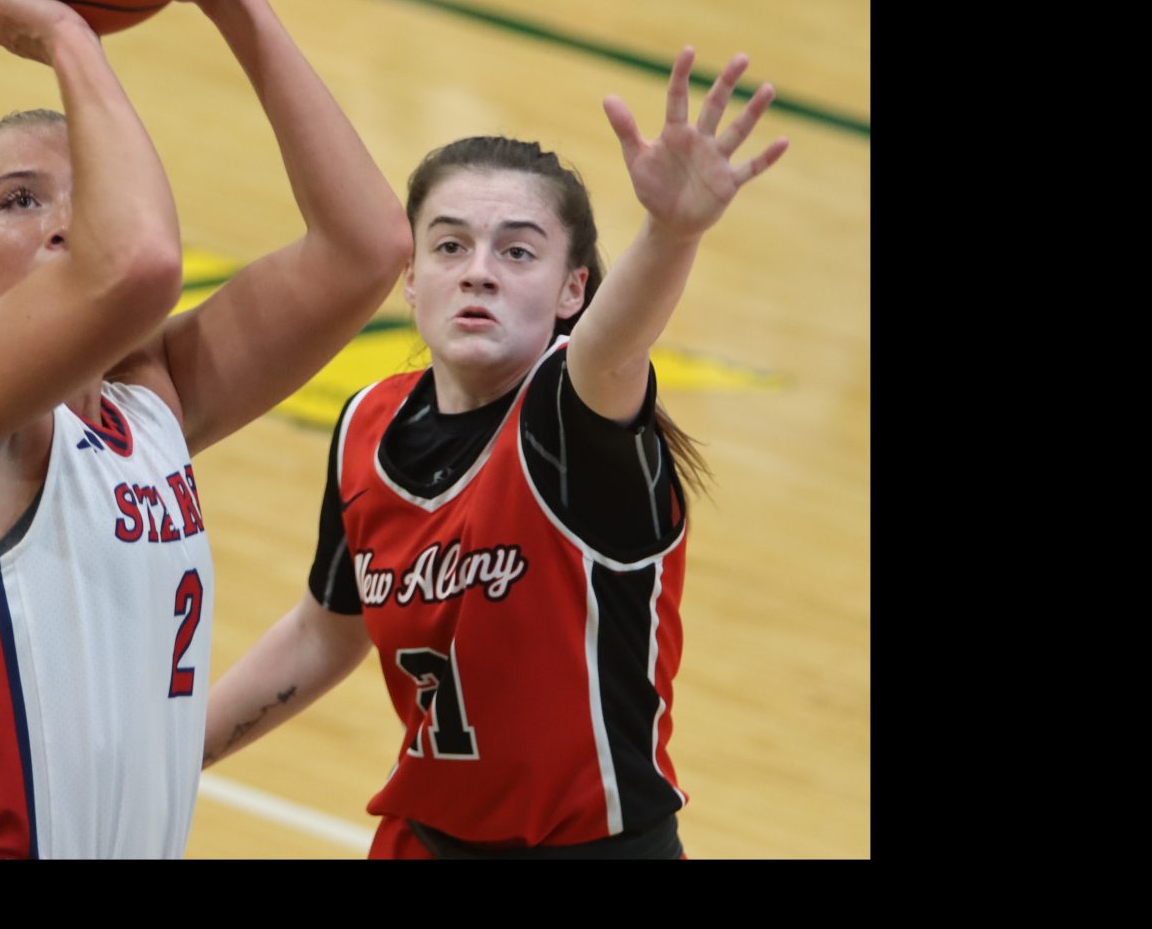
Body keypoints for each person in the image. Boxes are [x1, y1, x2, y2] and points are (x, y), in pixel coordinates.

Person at [0, 0, 414, 860]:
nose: (64, 222)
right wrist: (69, 40)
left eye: (86, 193)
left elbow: (368, 247)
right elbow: (141, 264)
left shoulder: (147, 403)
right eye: (20, 200)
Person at [201, 46, 788, 859]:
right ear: (411, 278)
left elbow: (613, 350)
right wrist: (170, 753)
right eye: (449, 246)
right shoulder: (367, 424)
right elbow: (322, 632)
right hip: (424, 841)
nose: (478, 272)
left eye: (517, 251)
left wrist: (670, 233)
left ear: (572, 289)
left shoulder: (572, 421)